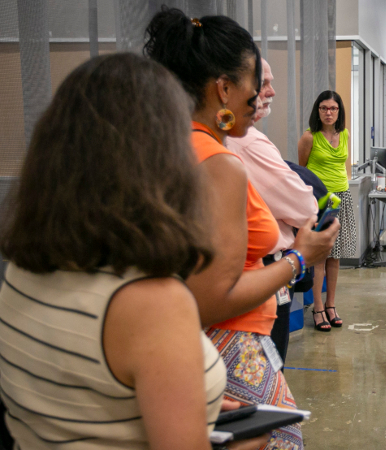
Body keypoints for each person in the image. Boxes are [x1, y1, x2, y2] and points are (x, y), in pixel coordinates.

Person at [0, 53, 227, 449]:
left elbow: (79, 402)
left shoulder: (21, 271)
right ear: (163, 160)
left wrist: (187, 403)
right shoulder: (153, 304)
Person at [145, 9, 338, 449]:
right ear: (224, 88)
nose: (261, 97)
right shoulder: (220, 163)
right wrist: (299, 258)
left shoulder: (170, 145)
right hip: (231, 339)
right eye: (255, 86)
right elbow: (215, 297)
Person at [227, 58, 318, 365]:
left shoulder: (228, 139)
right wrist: (296, 259)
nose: (271, 92)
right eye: (262, 83)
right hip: (260, 280)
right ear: (226, 87)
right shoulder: (246, 143)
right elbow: (305, 208)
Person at [298, 90, 357, 332]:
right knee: (320, 257)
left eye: (333, 108)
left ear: (339, 111)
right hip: (320, 200)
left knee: (336, 256)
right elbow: (301, 171)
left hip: (341, 197)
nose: (329, 112)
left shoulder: (344, 134)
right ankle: (318, 308)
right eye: (324, 108)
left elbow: (343, 165)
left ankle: (331, 306)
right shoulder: (309, 137)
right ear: (317, 111)